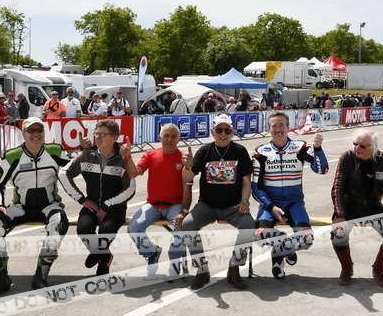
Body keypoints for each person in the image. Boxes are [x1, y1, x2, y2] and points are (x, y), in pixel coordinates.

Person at [0, 117, 70, 299]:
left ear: (44, 133)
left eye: (39, 130)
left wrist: (88, 151)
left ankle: (41, 276)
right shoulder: (11, 156)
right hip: (20, 207)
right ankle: (0, 278)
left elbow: (74, 169)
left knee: (59, 223)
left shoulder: (56, 151)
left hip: (49, 206)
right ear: (23, 133)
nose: (36, 134)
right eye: (31, 131)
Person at [181, 114, 255, 290]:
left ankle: (234, 268)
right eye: (219, 130)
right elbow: (187, 178)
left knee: (248, 225)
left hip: (233, 206)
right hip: (207, 205)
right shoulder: (204, 151)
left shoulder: (240, 151)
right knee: (188, 224)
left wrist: (245, 200)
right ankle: (202, 269)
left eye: (227, 131)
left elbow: (246, 181)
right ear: (212, 132)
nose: (223, 134)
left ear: (232, 133)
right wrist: (188, 166)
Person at [251, 112, 329, 279]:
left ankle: (282, 251)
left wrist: (317, 149)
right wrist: (271, 206)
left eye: (282, 125)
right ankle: (284, 248)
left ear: (288, 128)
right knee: (260, 236)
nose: (278, 129)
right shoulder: (260, 152)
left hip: (294, 203)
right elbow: (256, 187)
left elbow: (322, 169)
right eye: (274, 126)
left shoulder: (300, 147)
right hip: (270, 204)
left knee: (306, 239)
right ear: (269, 129)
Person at [59, 120, 135, 276]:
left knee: (106, 230)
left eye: (103, 134)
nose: (98, 137)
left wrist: (107, 205)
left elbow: (131, 189)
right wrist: (81, 199)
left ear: (114, 137)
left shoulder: (123, 158)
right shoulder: (87, 155)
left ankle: (101, 260)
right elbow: (63, 173)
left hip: (116, 207)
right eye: (96, 134)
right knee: (83, 229)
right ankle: (105, 255)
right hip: (92, 204)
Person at [331, 129, 383, 286]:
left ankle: (378, 269)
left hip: (373, 207)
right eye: (355, 144)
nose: (357, 148)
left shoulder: (382, 159)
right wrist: (340, 214)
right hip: (349, 206)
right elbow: (337, 187)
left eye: (362, 146)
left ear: (373, 147)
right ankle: (347, 268)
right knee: (338, 233)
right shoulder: (347, 157)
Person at [127, 124, 193, 276]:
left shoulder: (184, 158)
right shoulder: (150, 154)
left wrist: (184, 211)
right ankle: (151, 252)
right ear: (159, 137)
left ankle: (175, 260)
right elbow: (133, 173)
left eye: (173, 136)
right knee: (133, 228)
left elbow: (188, 186)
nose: (169, 139)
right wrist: (127, 156)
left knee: (181, 229)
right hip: (153, 205)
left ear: (179, 139)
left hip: (175, 206)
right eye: (166, 135)